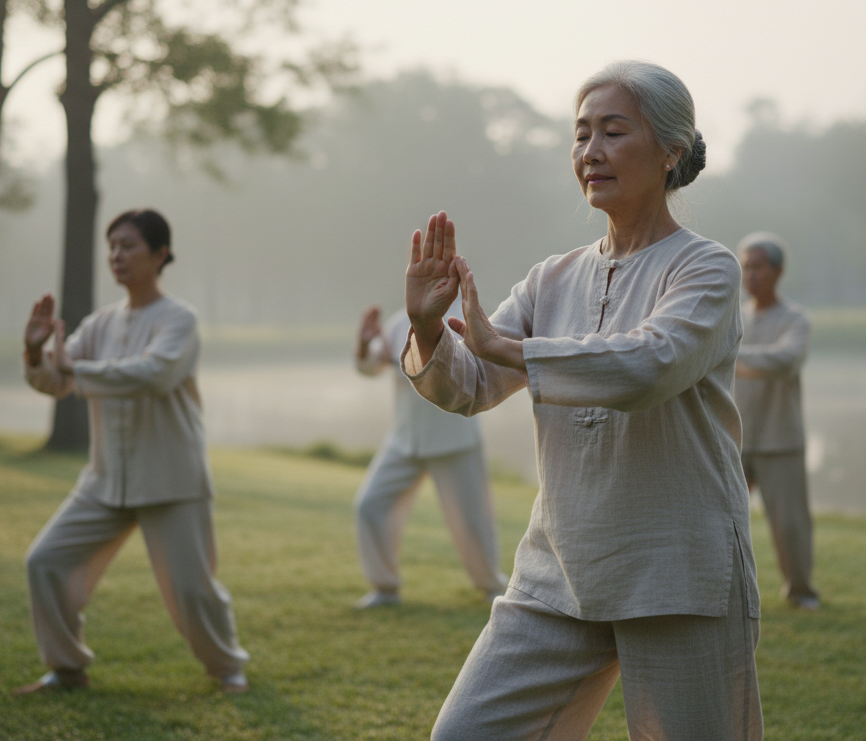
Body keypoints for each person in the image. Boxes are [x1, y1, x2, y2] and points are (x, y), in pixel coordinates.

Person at [405, 61, 762, 740]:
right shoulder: (553, 278)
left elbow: (649, 366)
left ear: (670, 152)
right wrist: (427, 326)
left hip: (676, 568)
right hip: (558, 569)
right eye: (580, 135)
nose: (590, 152)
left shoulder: (705, 268)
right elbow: (472, 384)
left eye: (613, 132)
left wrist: (509, 348)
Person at [14, 209, 251, 695]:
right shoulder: (99, 324)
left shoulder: (179, 319)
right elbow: (57, 380)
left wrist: (70, 368)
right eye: (112, 247)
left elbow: (154, 374)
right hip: (105, 479)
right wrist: (37, 353)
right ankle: (66, 668)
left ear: (160, 254)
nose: (116, 256)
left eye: (128, 246)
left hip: (171, 478)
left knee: (192, 591)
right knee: (46, 561)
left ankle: (227, 668)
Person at [351, 301, 508, 608]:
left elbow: (478, 373)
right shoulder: (399, 322)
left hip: (455, 440)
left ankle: (491, 587)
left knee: (473, 522)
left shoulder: (467, 320)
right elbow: (370, 366)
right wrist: (363, 343)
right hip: (403, 439)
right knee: (369, 505)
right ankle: (384, 588)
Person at [735, 232, 819, 610]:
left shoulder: (795, 319)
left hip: (780, 438)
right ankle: (722, 591)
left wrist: (726, 354)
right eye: (745, 267)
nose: (750, 275)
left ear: (778, 271)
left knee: (789, 526)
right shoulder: (732, 316)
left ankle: (800, 591)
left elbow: (785, 361)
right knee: (719, 521)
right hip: (731, 436)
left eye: (758, 267)